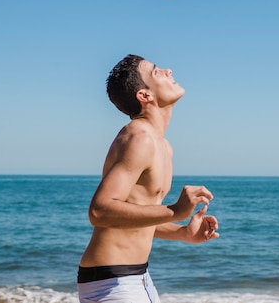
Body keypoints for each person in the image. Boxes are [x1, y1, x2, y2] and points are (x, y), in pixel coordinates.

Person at [78, 54, 220, 303]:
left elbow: (136, 216)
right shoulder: (139, 138)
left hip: (137, 278)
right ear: (145, 95)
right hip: (113, 283)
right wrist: (175, 210)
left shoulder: (163, 145)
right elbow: (99, 211)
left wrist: (183, 232)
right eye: (156, 72)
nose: (168, 70)